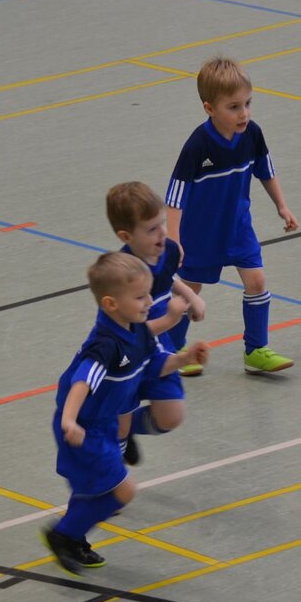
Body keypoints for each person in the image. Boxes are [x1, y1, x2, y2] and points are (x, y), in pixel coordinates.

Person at [42, 252, 209, 576]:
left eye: (148, 294)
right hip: (84, 427)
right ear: (111, 304)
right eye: (140, 297)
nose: (149, 302)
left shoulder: (137, 332)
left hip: (105, 423)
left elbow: (155, 364)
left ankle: (72, 536)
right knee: (123, 490)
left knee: (94, 487)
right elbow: (82, 381)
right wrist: (69, 420)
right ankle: (62, 535)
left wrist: (185, 358)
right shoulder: (105, 345)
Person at [164, 55, 299, 376]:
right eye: (234, 107)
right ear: (209, 108)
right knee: (189, 292)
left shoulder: (252, 135)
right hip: (200, 235)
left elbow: (266, 171)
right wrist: (174, 240)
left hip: (238, 228)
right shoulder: (197, 146)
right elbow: (175, 197)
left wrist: (282, 205)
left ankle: (256, 350)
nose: (244, 113)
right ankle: (172, 350)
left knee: (257, 281)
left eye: (248, 103)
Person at [106, 180, 205, 466]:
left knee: (171, 416)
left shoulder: (168, 250)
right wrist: (170, 318)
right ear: (126, 236)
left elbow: (166, 278)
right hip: (128, 354)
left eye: (162, 223)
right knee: (120, 424)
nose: (162, 233)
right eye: (151, 229)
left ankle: (121, 430)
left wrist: (190, 297)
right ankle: (112, 478)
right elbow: (130, 334)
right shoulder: (122, 274)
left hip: (160, 345)